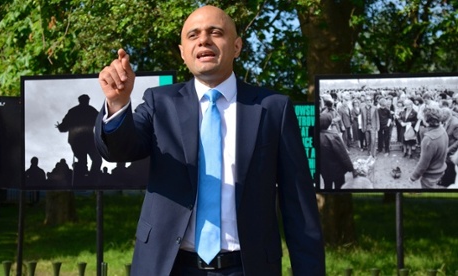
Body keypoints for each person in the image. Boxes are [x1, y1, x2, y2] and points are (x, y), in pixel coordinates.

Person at [94, 5, 324, 276]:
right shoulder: (159, 103)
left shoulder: (274, 108)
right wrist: (118, 104)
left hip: (247, 267)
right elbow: (120, 149)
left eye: (216, 32)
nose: (203, 40)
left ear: (237, 46)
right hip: (169, 267)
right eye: (193, 35)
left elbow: (298, 204)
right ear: (183, 52)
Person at [56, 94, 102, 178]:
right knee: (94, 160)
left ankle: (87, 178)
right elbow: (101, 121)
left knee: (86, 161)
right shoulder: (91, 110)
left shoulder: (73, 111)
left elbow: (64, 127)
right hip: (84, 140)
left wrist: (60, 127)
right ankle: (89, 178)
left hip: (79, 141)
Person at [409, 107, 448, 189]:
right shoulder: (442, 130)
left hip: (430, 177)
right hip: (440, 171)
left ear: (427, 120)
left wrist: (413, 177)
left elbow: (423, 164)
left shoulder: (428, 139)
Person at [320, 112, 354, 190]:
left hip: (324, 170)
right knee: (340, 187)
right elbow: (343, 155)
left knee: (327, 186)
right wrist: (351, 168)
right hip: (337, 171)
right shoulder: (333, 136)